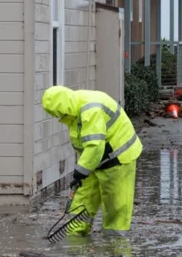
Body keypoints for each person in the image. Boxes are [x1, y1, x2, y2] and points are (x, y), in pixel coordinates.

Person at [41, 85, 143, 237]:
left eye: (60, 114)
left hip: (118, 157)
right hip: (94, 160)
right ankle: (75, 235)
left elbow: (95, 146)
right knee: (83, 197)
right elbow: (87, 145)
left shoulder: (90, 109)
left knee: (115, 202)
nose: (59, 117)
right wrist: (82, 170)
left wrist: (80, 172)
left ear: (65, 107)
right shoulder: (74, 109)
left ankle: (115, 245)